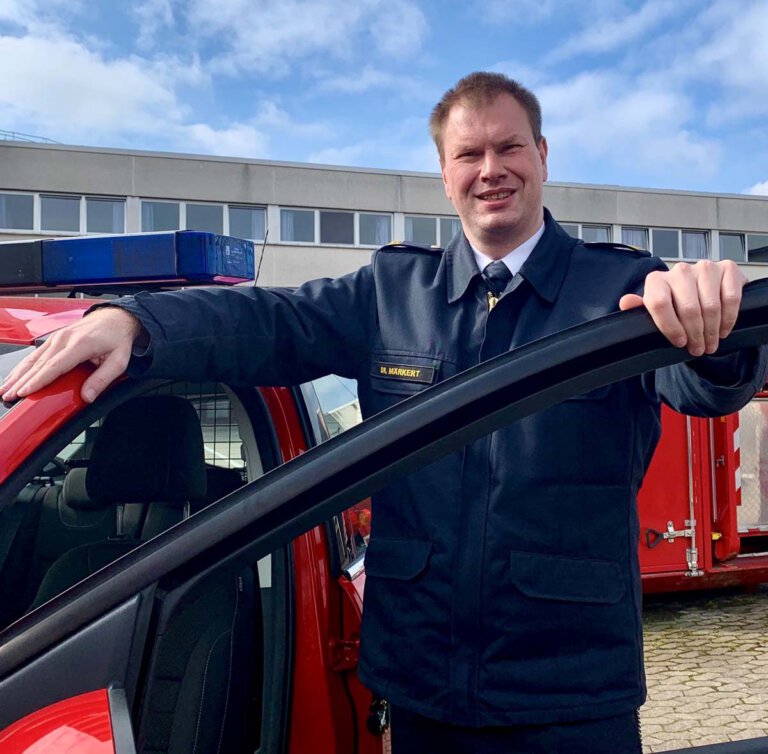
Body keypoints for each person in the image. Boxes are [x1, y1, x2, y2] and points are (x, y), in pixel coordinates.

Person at [2, 72, 765, 753]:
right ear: (444, 173)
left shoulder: (621, 291)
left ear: (542, 153)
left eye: (509, 148)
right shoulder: (391, 293)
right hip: (422, 686)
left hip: (570, 695)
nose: (490, 170)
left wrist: (710, 327)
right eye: (469, 155)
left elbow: (705, 388)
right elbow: (269, 323)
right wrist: (136, 325)